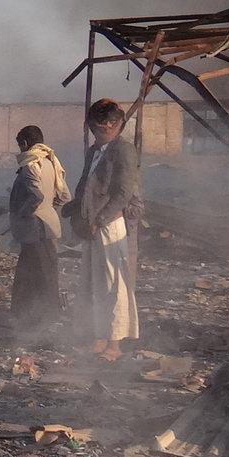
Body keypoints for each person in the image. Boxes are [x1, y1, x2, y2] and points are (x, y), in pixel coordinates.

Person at [70, 99, 142, 359]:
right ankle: (99, 336)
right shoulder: (94, 151)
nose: (103, 129)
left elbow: (123, 193)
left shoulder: (123, 150)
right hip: (91, 226)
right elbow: (84, 184)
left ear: (117, 125)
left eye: (108, 124)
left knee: (114, 285)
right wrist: (76, 212)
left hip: (110, 225)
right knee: (93, 283)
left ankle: (115, 343)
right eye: (98, 125)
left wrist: (99, 220)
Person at [9, 124, 72, 330]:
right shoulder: (51, 162)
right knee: (47, 271)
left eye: (20, 146)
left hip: (33, 228)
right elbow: (64, 197)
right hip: (50, 226)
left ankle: (29, 318)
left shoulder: (30, 164)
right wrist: (48, 209)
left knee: (30, 275)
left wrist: (23, 212)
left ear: (25, 144)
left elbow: (36, 195)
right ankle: (47, 315)